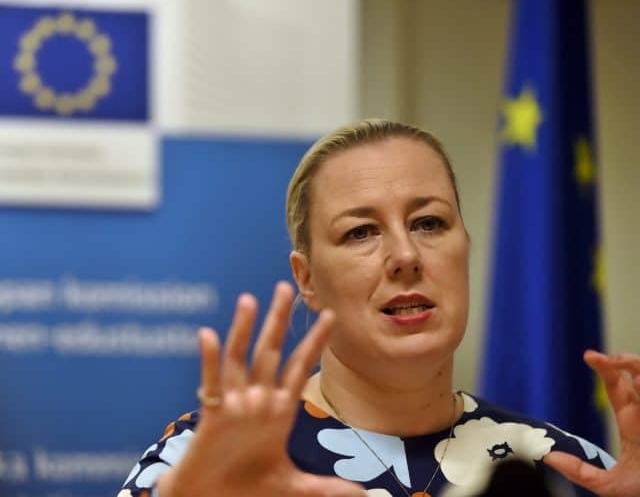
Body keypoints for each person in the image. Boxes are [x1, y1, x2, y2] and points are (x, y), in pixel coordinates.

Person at [117, 120, 640, 497]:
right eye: (361, 232)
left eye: (429, 223)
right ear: (307, 279)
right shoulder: (207, 464)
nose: (405, 256)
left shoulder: (568, 469)